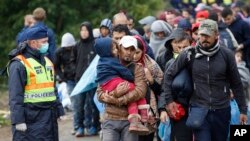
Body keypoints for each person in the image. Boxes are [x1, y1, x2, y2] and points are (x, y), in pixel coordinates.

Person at [161, 19, 248, 141]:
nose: (204, 38)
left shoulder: (226, 54)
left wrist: (243, 109)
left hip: (221, 110)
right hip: (199, 109)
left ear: (216, 35)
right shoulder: (188, 54)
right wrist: (169, 101)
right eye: (202, 35)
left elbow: (236, 83)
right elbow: (168, 75)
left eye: (208, 35)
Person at [8, 26, 64, 141]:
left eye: (47, 41)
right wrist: (18, 120)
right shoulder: (19, 64)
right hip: (30, 121)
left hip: (49, 119)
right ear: (33, 43)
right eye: (44, 42)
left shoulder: (47, 62)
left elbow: (52, 88)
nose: (47, 44)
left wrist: (59, 109)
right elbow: (15, 96)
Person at [96, 35, 148, 141]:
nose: (129, 52)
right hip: (110, 118)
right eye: (126, 48)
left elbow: (140, 91)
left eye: (132, 49)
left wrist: (117, 100)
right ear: (119, 48)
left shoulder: (138, 68)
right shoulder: (107, 65)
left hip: (130, 120)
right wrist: (115, 93)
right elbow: (99, 93)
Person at [158, 29, 193, 141]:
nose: (183, 50)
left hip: (197, 106)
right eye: (180, 47)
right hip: (177, 108)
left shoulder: (197, 59)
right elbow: (164, 87)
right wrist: (163, 108)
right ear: (173, 45)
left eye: (185, 47)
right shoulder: (167, 61)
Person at [133, 35, 163, 141]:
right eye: (132, 52)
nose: (134, 56)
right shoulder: (123, 65)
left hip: (148, 109)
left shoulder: (151, 65)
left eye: (137, 52)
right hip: (129, 110)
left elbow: (161, 89)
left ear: (143, 51)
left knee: (147, 136)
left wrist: (151, 80)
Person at [72, 21, 99, 137]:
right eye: (82, 30)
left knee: (93, 104)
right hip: (80, 80)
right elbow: (73, 60)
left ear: (90, 31)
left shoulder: (95, 44)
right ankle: (80, 127)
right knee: (79, 105)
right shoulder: (77, 45)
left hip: (92, 81)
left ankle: (94, 126)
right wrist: (75, 72)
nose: (83, 32)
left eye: (86, 30)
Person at [54, 32, 77, 110]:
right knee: (73, 99)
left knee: (81, 100)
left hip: (79, 77)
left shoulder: (76, 49)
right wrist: (63, 77)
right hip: (69, 79)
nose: (69, 48)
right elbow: (56, 66)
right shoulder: (59, 52)